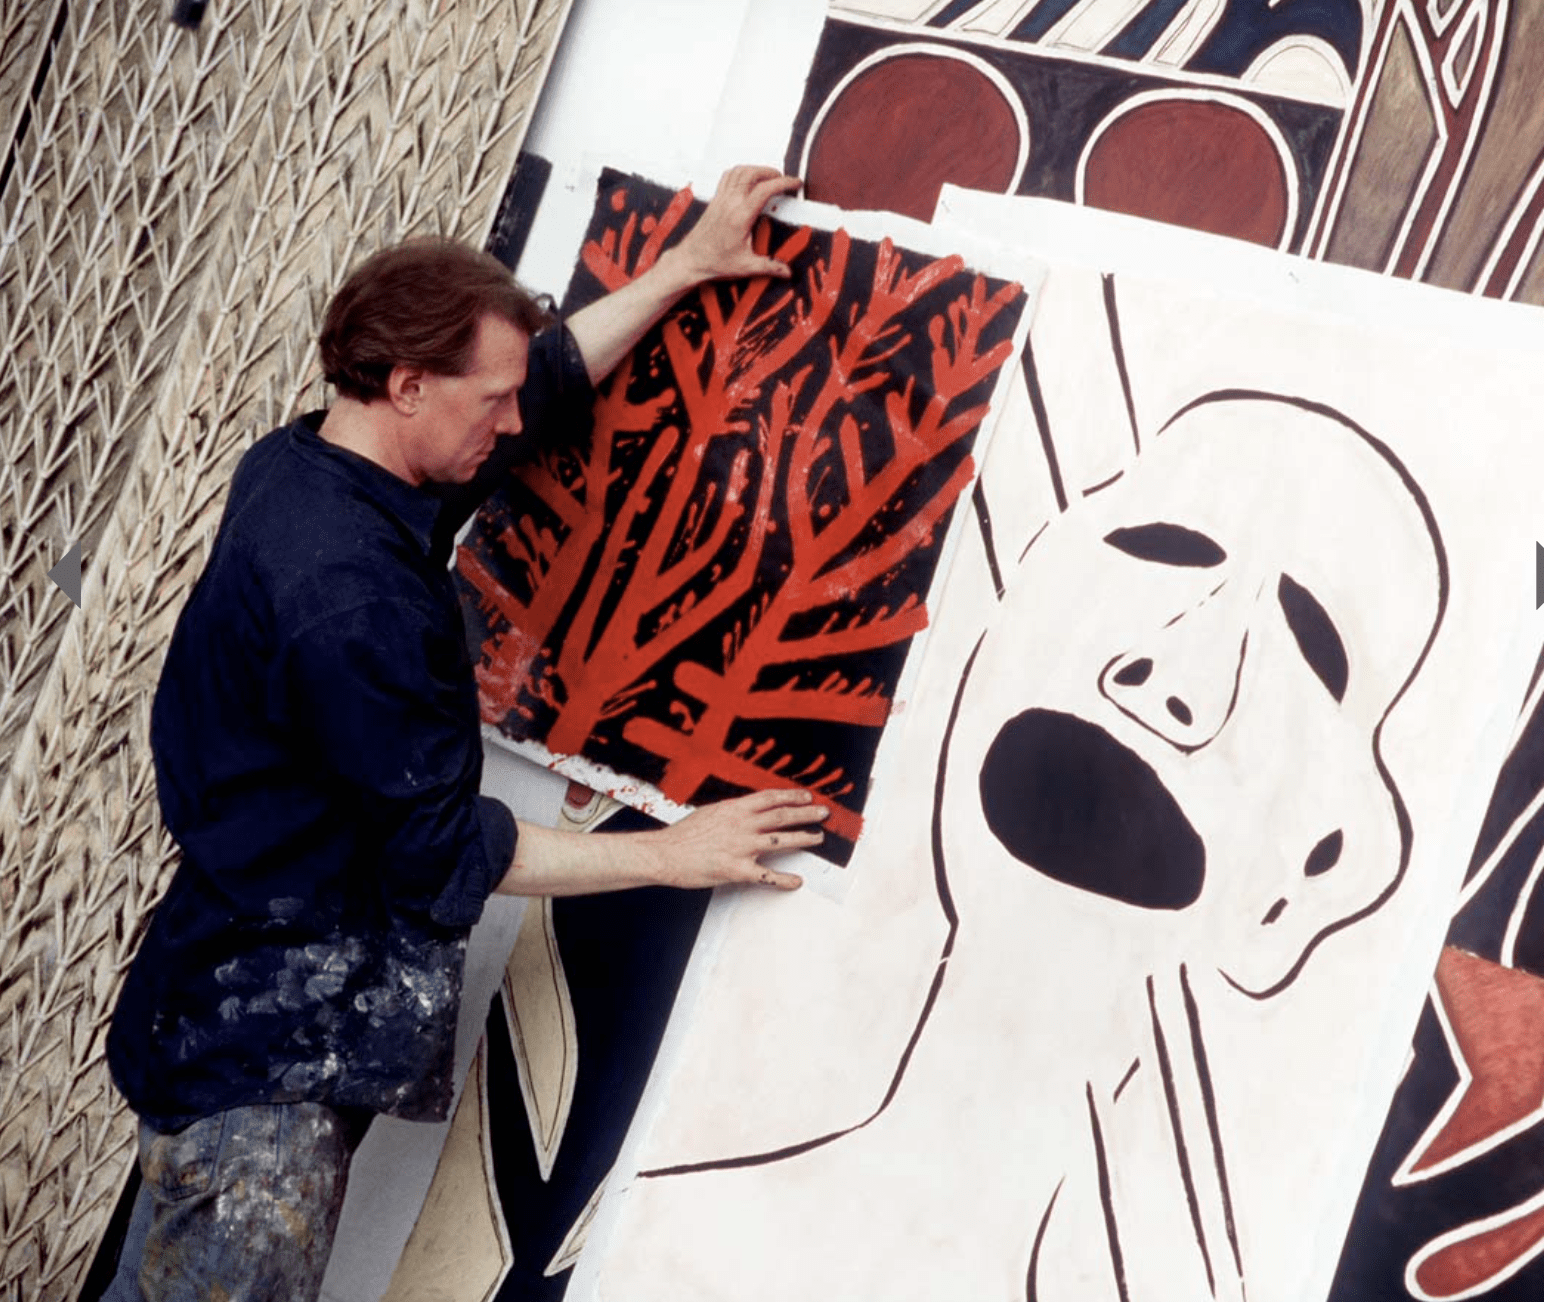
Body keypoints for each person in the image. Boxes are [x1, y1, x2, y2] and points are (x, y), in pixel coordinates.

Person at [101, 165, 824, 1302]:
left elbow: (536, 372)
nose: (515, 417)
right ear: (406, 385)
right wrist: (672, 855)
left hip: (211, 1004)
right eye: (487, 403)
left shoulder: (312, 465)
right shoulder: (352, 595)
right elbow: (444, 850)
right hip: (265, 1082)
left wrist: (688, 264)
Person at [591, 391, 1449, 1301]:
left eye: (1311, 642)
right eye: (1161, 544)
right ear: (985, 645)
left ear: (1306, 885)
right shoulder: (669, 1239)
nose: (1176, 682)